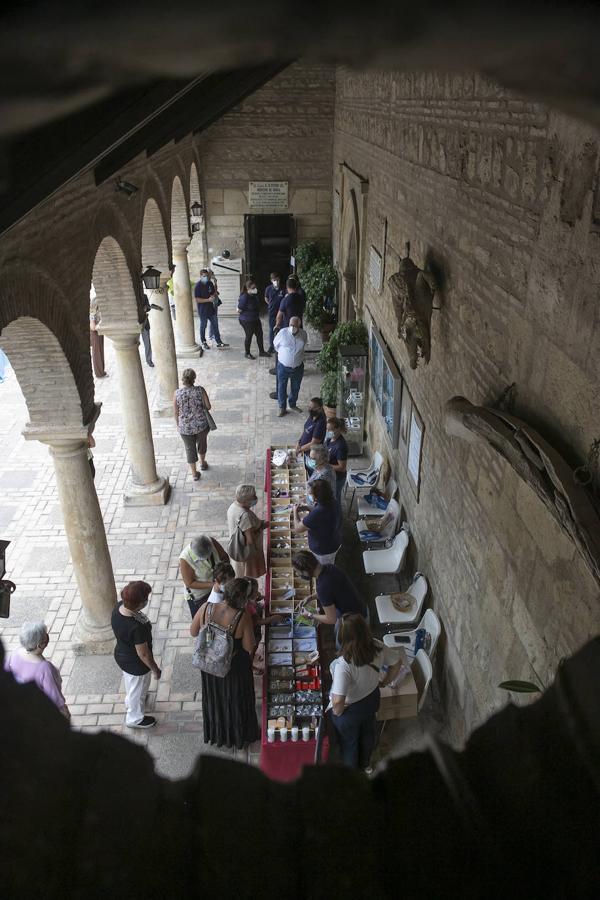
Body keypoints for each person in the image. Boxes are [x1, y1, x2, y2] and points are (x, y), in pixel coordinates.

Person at [190, 577, 260, 749]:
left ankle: (218, 733)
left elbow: (193, 631)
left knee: (215, 699)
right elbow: (249, 646)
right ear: (244, 599)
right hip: (233, 668)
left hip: (209, 665)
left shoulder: (206, 607)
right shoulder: (242, 617)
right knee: (235, 700)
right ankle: (238, 734)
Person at [329, 614, 406, 770]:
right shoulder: (377, 646)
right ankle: (366, 765)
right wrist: (384, 682)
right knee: (367, 733)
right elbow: (397, 663)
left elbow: (337, 702)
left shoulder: (344, 665)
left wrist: (337, 712)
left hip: (351, 710)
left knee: (350, 743)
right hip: (371, 700)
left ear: (342, 638)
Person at [292, 549, 368, 647]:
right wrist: (311, 597)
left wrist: (310, 615)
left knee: (343, 648)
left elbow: (331, 619)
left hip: (354, 624)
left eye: (298, 572)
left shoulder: (322, 587)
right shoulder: (330, 568)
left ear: (306, 572)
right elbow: (331, 591)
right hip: (359, 609)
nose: (298, 575)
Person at [111, 581, 161, 730]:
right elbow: (144, 654)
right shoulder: (136, 627)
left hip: (122, 655)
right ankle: (134, 718)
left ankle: (132, 701)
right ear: (140, 603)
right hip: (136, 663)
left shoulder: (118, 607)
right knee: (137, 687)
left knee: (132, 685)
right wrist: (155, 669)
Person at [4, 621, 70, 719]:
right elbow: (54, 696)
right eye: (45, 637)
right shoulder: (45, 668)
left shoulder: (16, 652)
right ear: (39, 645)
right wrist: (63, 711)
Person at [173, 368, 212, 481]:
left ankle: (194, 474)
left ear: (183, 380)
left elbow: (176, 412)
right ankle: (203, 463)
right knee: (202, 444)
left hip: (185, 428)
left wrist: (178, 424)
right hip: (201, 425)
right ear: (194, 379)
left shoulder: (177, 393)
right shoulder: (200, 390)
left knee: (189, 449)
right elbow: (209, 406)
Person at [292, 479, 341, 566]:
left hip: (323, 550)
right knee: (330, 563)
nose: (309, 495)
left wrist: (295, 511)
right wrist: (307, 508)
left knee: (324, 568)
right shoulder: (333, 501)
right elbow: (323, 512)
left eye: (311, 494)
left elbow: (298, 528)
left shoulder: (317, 513)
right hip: (333, 540)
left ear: (317, 496)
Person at [179, 535, 230, 618]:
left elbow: (225, 557)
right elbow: (189, 583)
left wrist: (223, 571)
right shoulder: (185, 559)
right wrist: (214, 585)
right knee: (202, 619)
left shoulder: (211, 541)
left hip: (217, 589)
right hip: (200, 596)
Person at [227, 484, 267, 578]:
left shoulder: (233, 506)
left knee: (239, 571)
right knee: (246, 574)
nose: (255, 498)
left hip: (236, 548)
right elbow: (250, 539)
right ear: (245, 501)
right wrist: (263, 526)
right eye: (252, 498)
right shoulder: (245, 516)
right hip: (246, 552)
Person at [273, 315, 307, 417]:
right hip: (283, 367)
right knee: (282, 386)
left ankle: (292, 404)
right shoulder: (283, 333)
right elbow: (276, 345)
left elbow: (303, 345)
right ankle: (282, 407)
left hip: (298, 367)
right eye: (291, 325)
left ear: (299, 325)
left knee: (296, 387)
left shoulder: (303, 334)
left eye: (295, 325)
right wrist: (284, 355)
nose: (292, 327)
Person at [237, 278, 269, 359]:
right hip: (246, 320)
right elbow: (239, 310)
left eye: (255, 287)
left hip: (255, 319)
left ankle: (261, 351)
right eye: (253, 288)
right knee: (249, 336)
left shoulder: (254, 295)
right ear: (248, 289)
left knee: (259, 335)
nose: (255, 289)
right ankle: (247, 353)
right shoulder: (244, 297)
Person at [195, 268, 226, 350]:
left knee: (215, 325)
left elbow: (214, 292)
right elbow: (197, 299)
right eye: (204, 276)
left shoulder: (209, 283)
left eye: (207, 276)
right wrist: (207, 300)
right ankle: (204, 342)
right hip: (203, 311)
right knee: (203, 326)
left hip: (211, 309)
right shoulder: (198, 286)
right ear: (200, 276)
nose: (206, 277)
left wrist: (214, 291)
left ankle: (219, 342)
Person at [296, 398, 328, 463]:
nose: (309, 409)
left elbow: (314, 443)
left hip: (311, 454)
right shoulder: (313, 415)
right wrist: (299, 442)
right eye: (309, 406)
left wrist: (300, 449)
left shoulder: (320, 423)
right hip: (304, 450)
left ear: (319, 408)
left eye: (311, 407)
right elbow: (305, 429)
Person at [325, 416, 349, 505]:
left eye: (330, 430)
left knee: (335, 501)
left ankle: (338, 518)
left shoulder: (341, 446)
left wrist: (325, 465)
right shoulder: (330, 437)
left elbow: (342, 468)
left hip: (337, 478)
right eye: (327, 429)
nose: (328, 432)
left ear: (338, 429)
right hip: (331, 475)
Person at [264, 271, 285, 353]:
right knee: (271, 330)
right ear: (271, 280)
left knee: (282, 329)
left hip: (281, 313)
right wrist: (270, 304)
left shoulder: (283, 289)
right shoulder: (268, 289)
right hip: (272, 312)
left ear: (279, 279)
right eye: (274, 280)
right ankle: (271, 346)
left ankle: (281, 345)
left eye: (277, 279)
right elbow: (266, 298)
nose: (275, 281)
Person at [207, 268, 229, 348]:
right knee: (213, 319)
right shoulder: (207, 282)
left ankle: (213, 335)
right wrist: (215, 292)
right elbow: (212, 292)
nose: (212, 274)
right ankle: (213, 336)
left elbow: (215, 290)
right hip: (211, 303)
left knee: (214, 318)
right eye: (211, 273)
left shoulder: (212, 281)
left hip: (214, 302)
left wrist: (215, 283)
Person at [89, 300, 107, 378]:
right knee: (97, 353)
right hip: (95, 333)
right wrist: (98, 326)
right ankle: (99, 373)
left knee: (100, 351)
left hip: (99, 331)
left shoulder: (98, 309)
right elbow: (92, 327)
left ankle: (101, 370)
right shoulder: (93, 310)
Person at [140, 294, 159, 367]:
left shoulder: (144, 296)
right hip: (135, 323)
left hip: (145, 323)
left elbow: (149, 308)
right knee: (134, 342)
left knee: (147, 343)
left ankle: (149, 360)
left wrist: (146, 308)